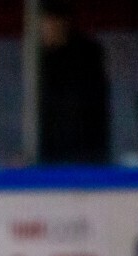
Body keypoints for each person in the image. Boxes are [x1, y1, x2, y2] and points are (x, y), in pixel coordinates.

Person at [38, 0, 110, 165]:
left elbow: (85, 111)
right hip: (48, 156)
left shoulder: (86, 57)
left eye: (49, 22)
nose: (43, 29)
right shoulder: (37, 60)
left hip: (83, 154)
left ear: (62, 22)